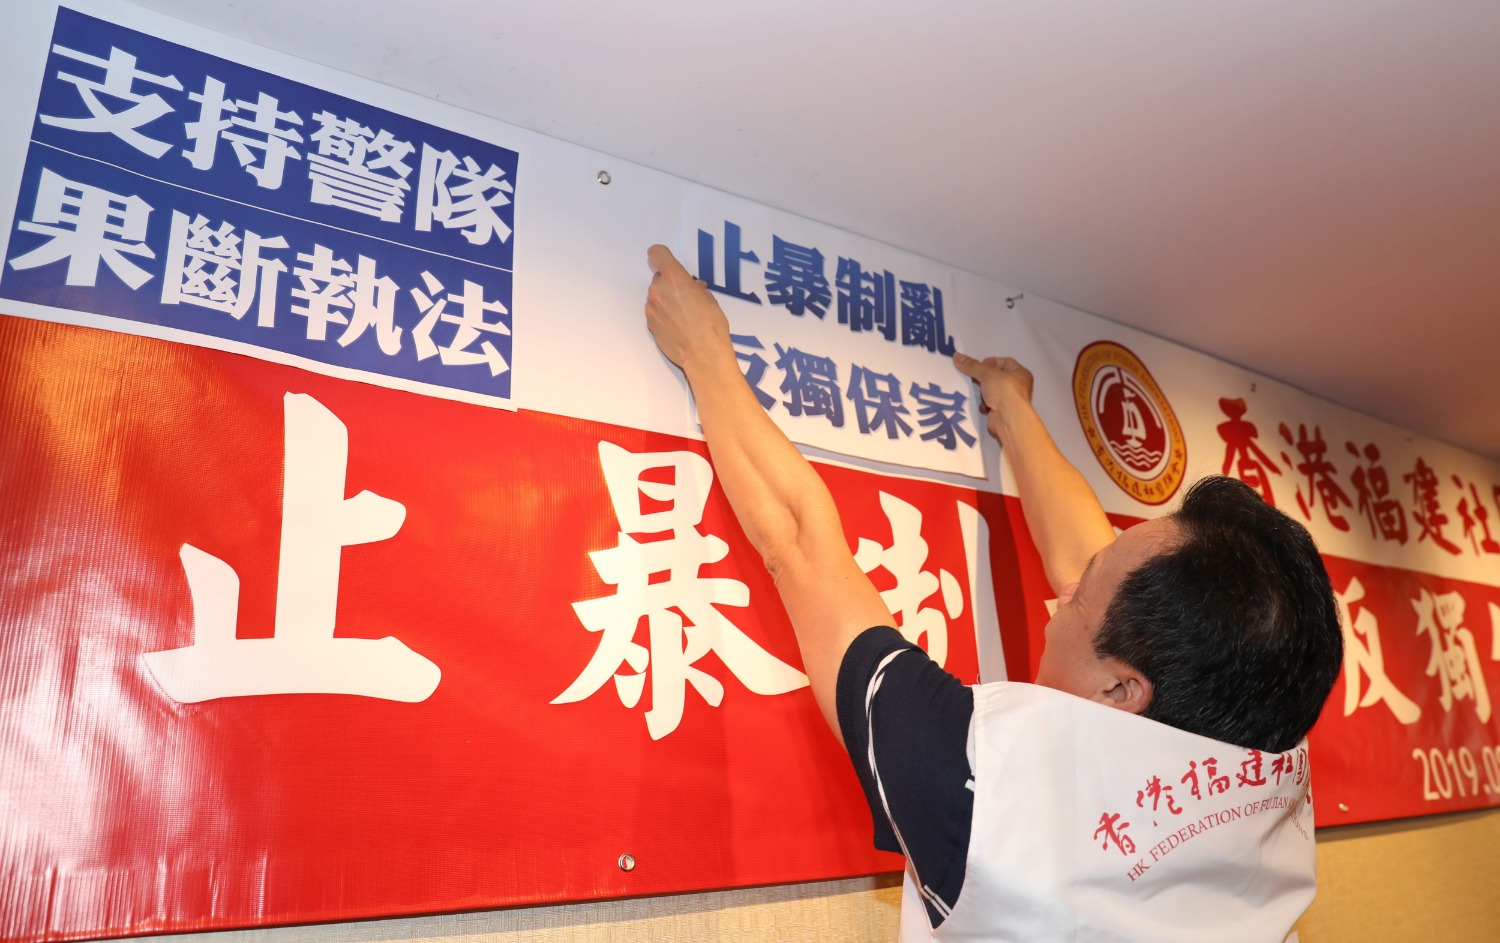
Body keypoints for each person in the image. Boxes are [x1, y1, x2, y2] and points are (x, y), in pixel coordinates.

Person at [643, 244, 1343, 942]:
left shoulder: (977, 788)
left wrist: (703, 352)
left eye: (1077, 599)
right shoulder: (1270, 745)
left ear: (1121, 689)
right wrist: (1013, 412)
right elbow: (1090, 563)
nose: (1062, 599)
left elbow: (798, 541)